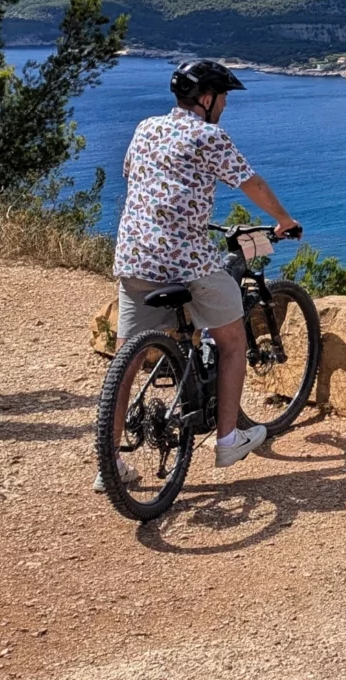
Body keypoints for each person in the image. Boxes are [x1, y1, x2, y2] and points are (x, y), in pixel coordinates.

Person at [94, 59, 302, 492]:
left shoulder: (145, 127)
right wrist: (284, 220)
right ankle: (227, 439)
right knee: (232, 340)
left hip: (133, 257)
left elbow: (137, 176)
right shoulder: (209, 136)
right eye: (223, 97)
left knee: (127, 359)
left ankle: (108, 463)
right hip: (184, 261)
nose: (225, 104)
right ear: (205, 99)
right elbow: (250, 183)